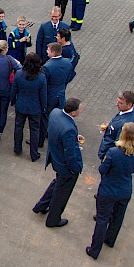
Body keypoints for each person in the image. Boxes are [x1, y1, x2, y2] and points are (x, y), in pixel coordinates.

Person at [86, 122, 134, 260]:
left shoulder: (113, 152)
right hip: (125, 190)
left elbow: (102, 170)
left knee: (102, 219)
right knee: (118, 217)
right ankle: (110, 240)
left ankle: (94, 250)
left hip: (108, 190)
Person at [32, 98, 85, 228]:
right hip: (65, 166)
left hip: (55, 157)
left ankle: (41, 205)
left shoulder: (55, 113)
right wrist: (74, 169)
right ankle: (53, 219)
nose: (81, 111)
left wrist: (73, 138)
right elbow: (70, 155)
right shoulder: (69, 129)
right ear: (73, 113)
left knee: (57, 183)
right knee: (61, 194)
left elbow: (58, 133)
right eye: (79, 109)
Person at [10, 52, 47, 161]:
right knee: (35, 130)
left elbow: (14, 90)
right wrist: (44, 108)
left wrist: (13, 101)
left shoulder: (18, 74)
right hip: (35, 108)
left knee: (18, 127)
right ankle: (34, 154)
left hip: (21, 105)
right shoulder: (41, 77)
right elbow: (43, 95)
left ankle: (17, 149)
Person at [40, 43, 73, 148]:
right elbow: (70, 76)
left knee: (45, 117)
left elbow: (44, 83)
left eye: (48, 50)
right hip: (61, 93)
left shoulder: (47, 66)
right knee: (58, 116)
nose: (46, 52)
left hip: (50, 95)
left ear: (53, 53)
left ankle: (40, 140)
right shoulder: (67, 62)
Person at [97, 90, 134, 161]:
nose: (116, 104)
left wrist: (106, 158)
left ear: (129, 105)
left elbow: (118, 145)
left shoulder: (126, 124)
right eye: (117, 101)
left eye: (120, 103)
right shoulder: (125, 111)